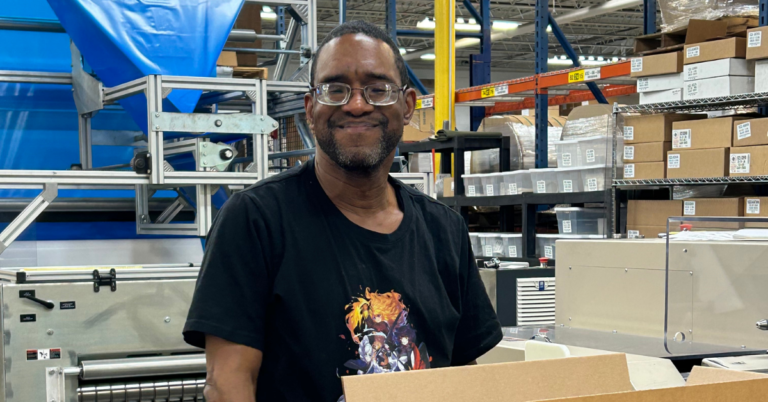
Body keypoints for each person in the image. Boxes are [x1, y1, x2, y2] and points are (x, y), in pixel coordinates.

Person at [183, 20, 502, 402]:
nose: (356, 104)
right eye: (335, 89)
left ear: (407, 106)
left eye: (377, 88)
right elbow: (228, 384)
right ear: (310, 108)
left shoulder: (444, 230)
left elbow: (464, 373)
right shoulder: (256, 220)